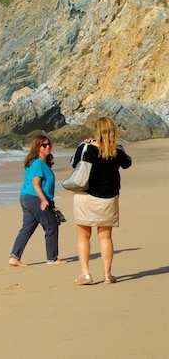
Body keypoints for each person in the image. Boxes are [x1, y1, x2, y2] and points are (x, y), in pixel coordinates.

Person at [71, 117, 132, 285]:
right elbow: (128, 163)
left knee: (84, 235)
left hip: (86, 196)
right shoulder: (117, 151)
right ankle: (107, 274)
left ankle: (85, 273)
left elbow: (73, 163)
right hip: (109, 198)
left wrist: (86, 144)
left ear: (96, 131)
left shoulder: (86, 148)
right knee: (105, 237)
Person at [8, 135, 67, 267]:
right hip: (34, 198)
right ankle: (52, 259)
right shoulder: (37, 163)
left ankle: (14, 257)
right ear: (37, 148)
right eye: (44, 145)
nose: (47, 147)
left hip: (28, 198)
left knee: (27, 228)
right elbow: (36, 184)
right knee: (51, 226)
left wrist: (51, 202)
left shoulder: (43, 163)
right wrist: (43, 200)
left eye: (49, 144)